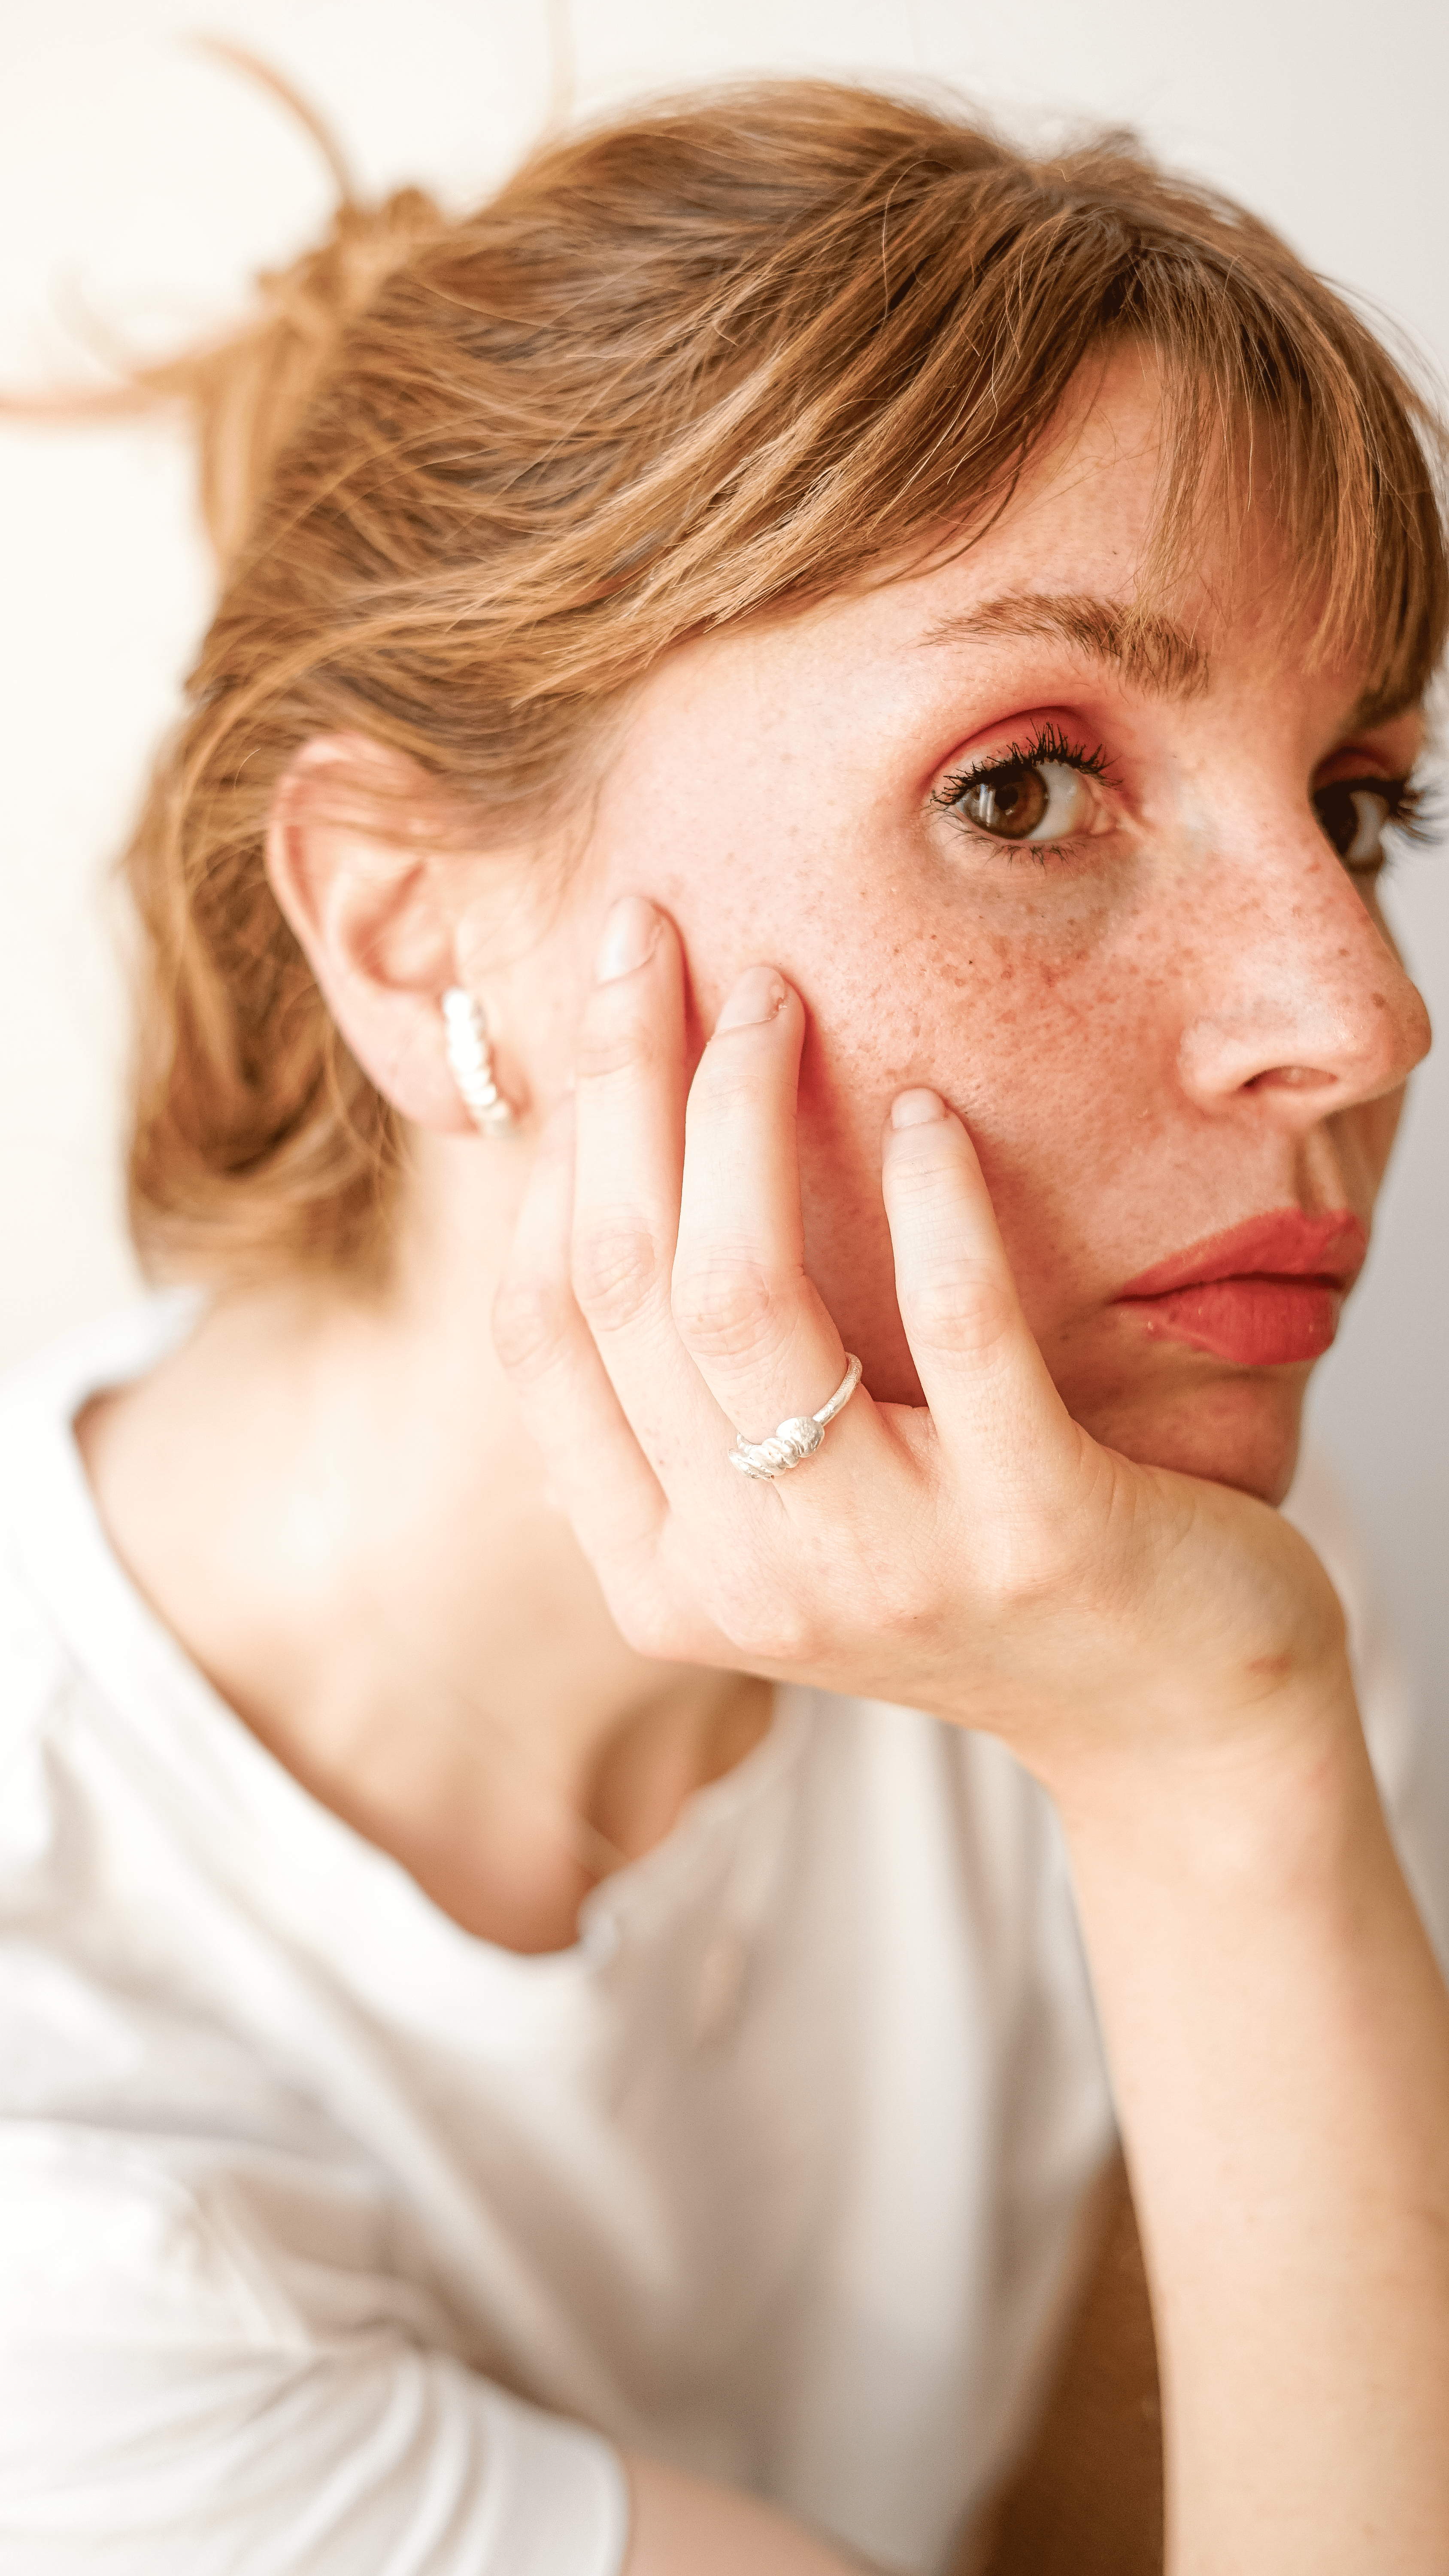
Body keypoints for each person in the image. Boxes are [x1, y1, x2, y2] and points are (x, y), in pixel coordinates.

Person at [2, 65, 1448, 2576]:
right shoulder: (57, 2197)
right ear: (410, 927)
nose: (1359, 1012)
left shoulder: (1124, 1573)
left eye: (1359, 801)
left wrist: (1233, 1754)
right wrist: (1225, 1782)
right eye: (1026, 785)